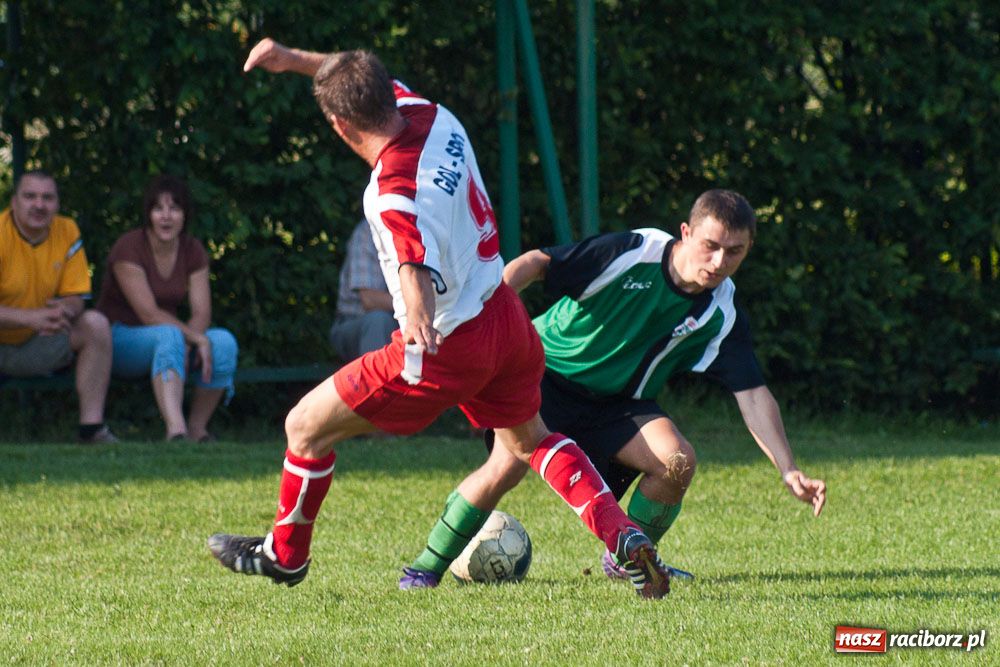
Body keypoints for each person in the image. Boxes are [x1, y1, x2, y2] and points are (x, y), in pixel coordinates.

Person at [206, 38, 672, 599]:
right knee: (532, 439)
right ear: (387, 93)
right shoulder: (433, 115)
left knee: (304, 427)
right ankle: (622, 533)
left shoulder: (391, 192)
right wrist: (291, 58)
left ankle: (285, 557)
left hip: (445, 345)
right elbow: (353, 80)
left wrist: (420, 317)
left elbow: (412, 262)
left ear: (338, 126)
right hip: (505, 319)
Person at [403, 189, 827, 588]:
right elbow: (537, 261)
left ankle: (627, 559)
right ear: (685, 233)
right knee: (505, 467)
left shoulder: (722, 311)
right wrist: (487, 312)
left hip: (618, 403)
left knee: (677, 461)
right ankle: (425, 567)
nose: (719, 261)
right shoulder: (634, 252)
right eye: (710, 245)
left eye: (734, 252)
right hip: (543, 375)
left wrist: (788, 469)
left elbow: (752, 394)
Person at [96, 175, 238, 442]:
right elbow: (148, 313)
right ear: (148, 214)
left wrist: (189, 342)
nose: (166, 216)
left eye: (174, 208)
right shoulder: (129, 247)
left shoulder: (192, 250)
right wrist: (192, 339)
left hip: (171, 337)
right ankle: (176, 430)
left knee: (223, 342)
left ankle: (197, 429)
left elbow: (201, 313)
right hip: (119, 338)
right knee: (169, 336)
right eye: (158, 208)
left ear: (185, 215)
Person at [0, 170, 117, 443]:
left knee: (95, 324)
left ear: (57, 204)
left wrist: (63, 311)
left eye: (47, 198)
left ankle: (91, 430)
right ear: (14, 202)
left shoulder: (67, 230)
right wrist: (30, 318)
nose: (39, 205)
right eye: (30, 196)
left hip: (37, 341)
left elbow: (76, 296)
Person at [328, 219, 396, 360]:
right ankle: (377, 375)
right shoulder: (368, 231)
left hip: (403, 321)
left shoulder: (426, 231)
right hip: (355, 322)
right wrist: (417, 304)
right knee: (378, 321)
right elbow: (370, 300)